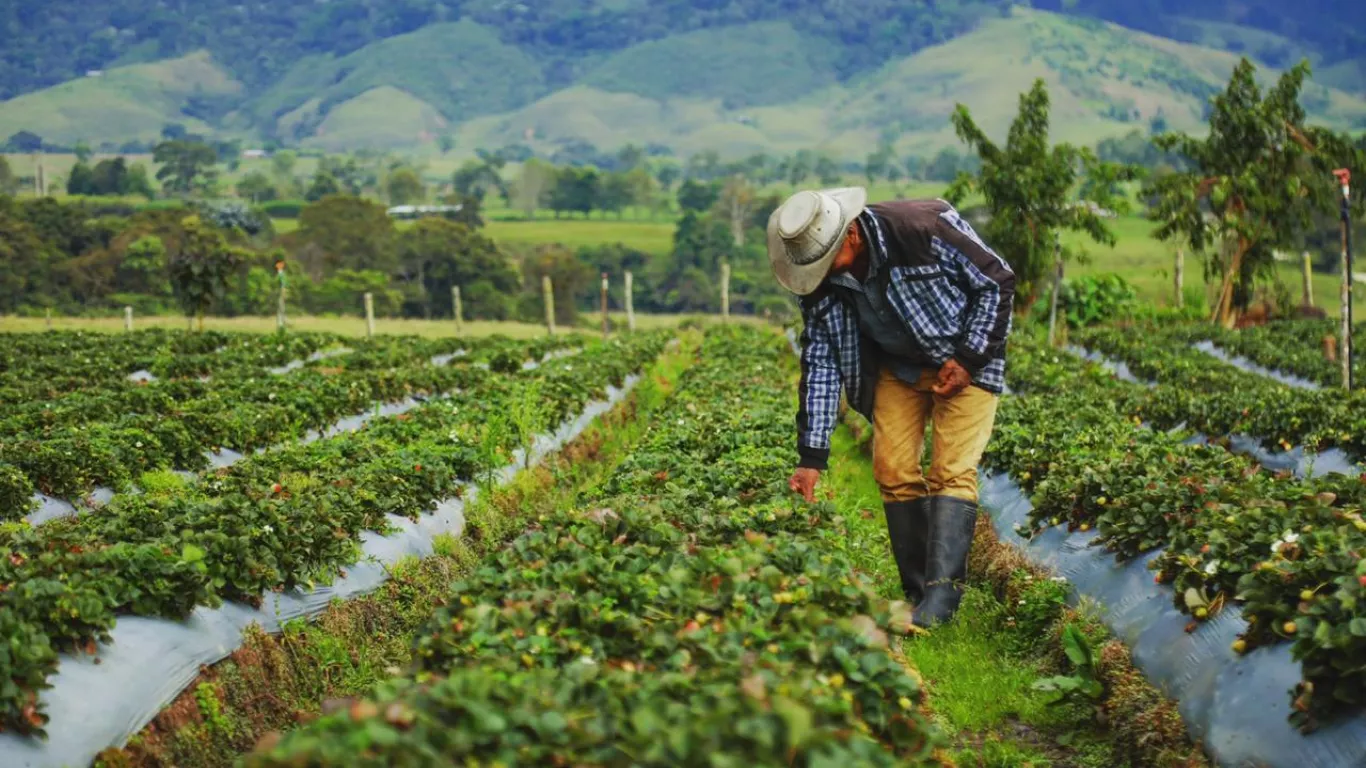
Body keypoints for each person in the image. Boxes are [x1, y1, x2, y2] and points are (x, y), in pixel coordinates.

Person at [768, 187, 1015, 627]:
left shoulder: (924, 227)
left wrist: (968, 358)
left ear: (850, 235)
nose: (820, 273)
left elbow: (995, 280)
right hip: (898, 367)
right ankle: (918, 590)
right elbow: (821, 361)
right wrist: (812, 457)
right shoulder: (820, 286)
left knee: (951, 471)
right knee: (893, 470)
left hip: (965, 361)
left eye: (826, 261)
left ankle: (941, 603)